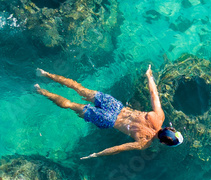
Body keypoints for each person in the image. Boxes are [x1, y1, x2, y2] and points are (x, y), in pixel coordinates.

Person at [35, 66, 184, 159]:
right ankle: (42, 92)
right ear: (163, 142)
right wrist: (96, 154)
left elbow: (154, 94)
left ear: (169, 128)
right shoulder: (144, 143)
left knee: (80, 89)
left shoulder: (159, 116)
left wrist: (149, 76)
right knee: (71, 104)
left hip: (116, 106)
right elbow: (118, 149)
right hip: (109, 121)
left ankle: (45, 74)